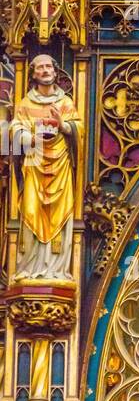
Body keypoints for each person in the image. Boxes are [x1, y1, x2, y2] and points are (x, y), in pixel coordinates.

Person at [11, 55, 80, 281]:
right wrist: (29, 137)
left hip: (59, 167)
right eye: (40, 67)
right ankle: (29, 267)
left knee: (60, 212)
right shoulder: (25, 104)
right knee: (30, 210)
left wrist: (62, 125)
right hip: (34, 165)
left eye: (48, 66)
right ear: (33, 74)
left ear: (55, 70)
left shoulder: (65, 103)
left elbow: (79, 129)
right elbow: (14, 130)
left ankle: (56, 269)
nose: (45, 70)